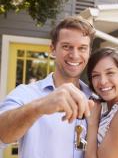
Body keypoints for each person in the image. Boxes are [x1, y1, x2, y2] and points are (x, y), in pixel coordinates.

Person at [0, 16, 96, 158]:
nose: (74, 55)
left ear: (89, 52)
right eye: (66, 46)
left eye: (82, 48)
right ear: (52, 50)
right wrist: (40, 106)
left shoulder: (97, 99)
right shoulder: (26, 94)